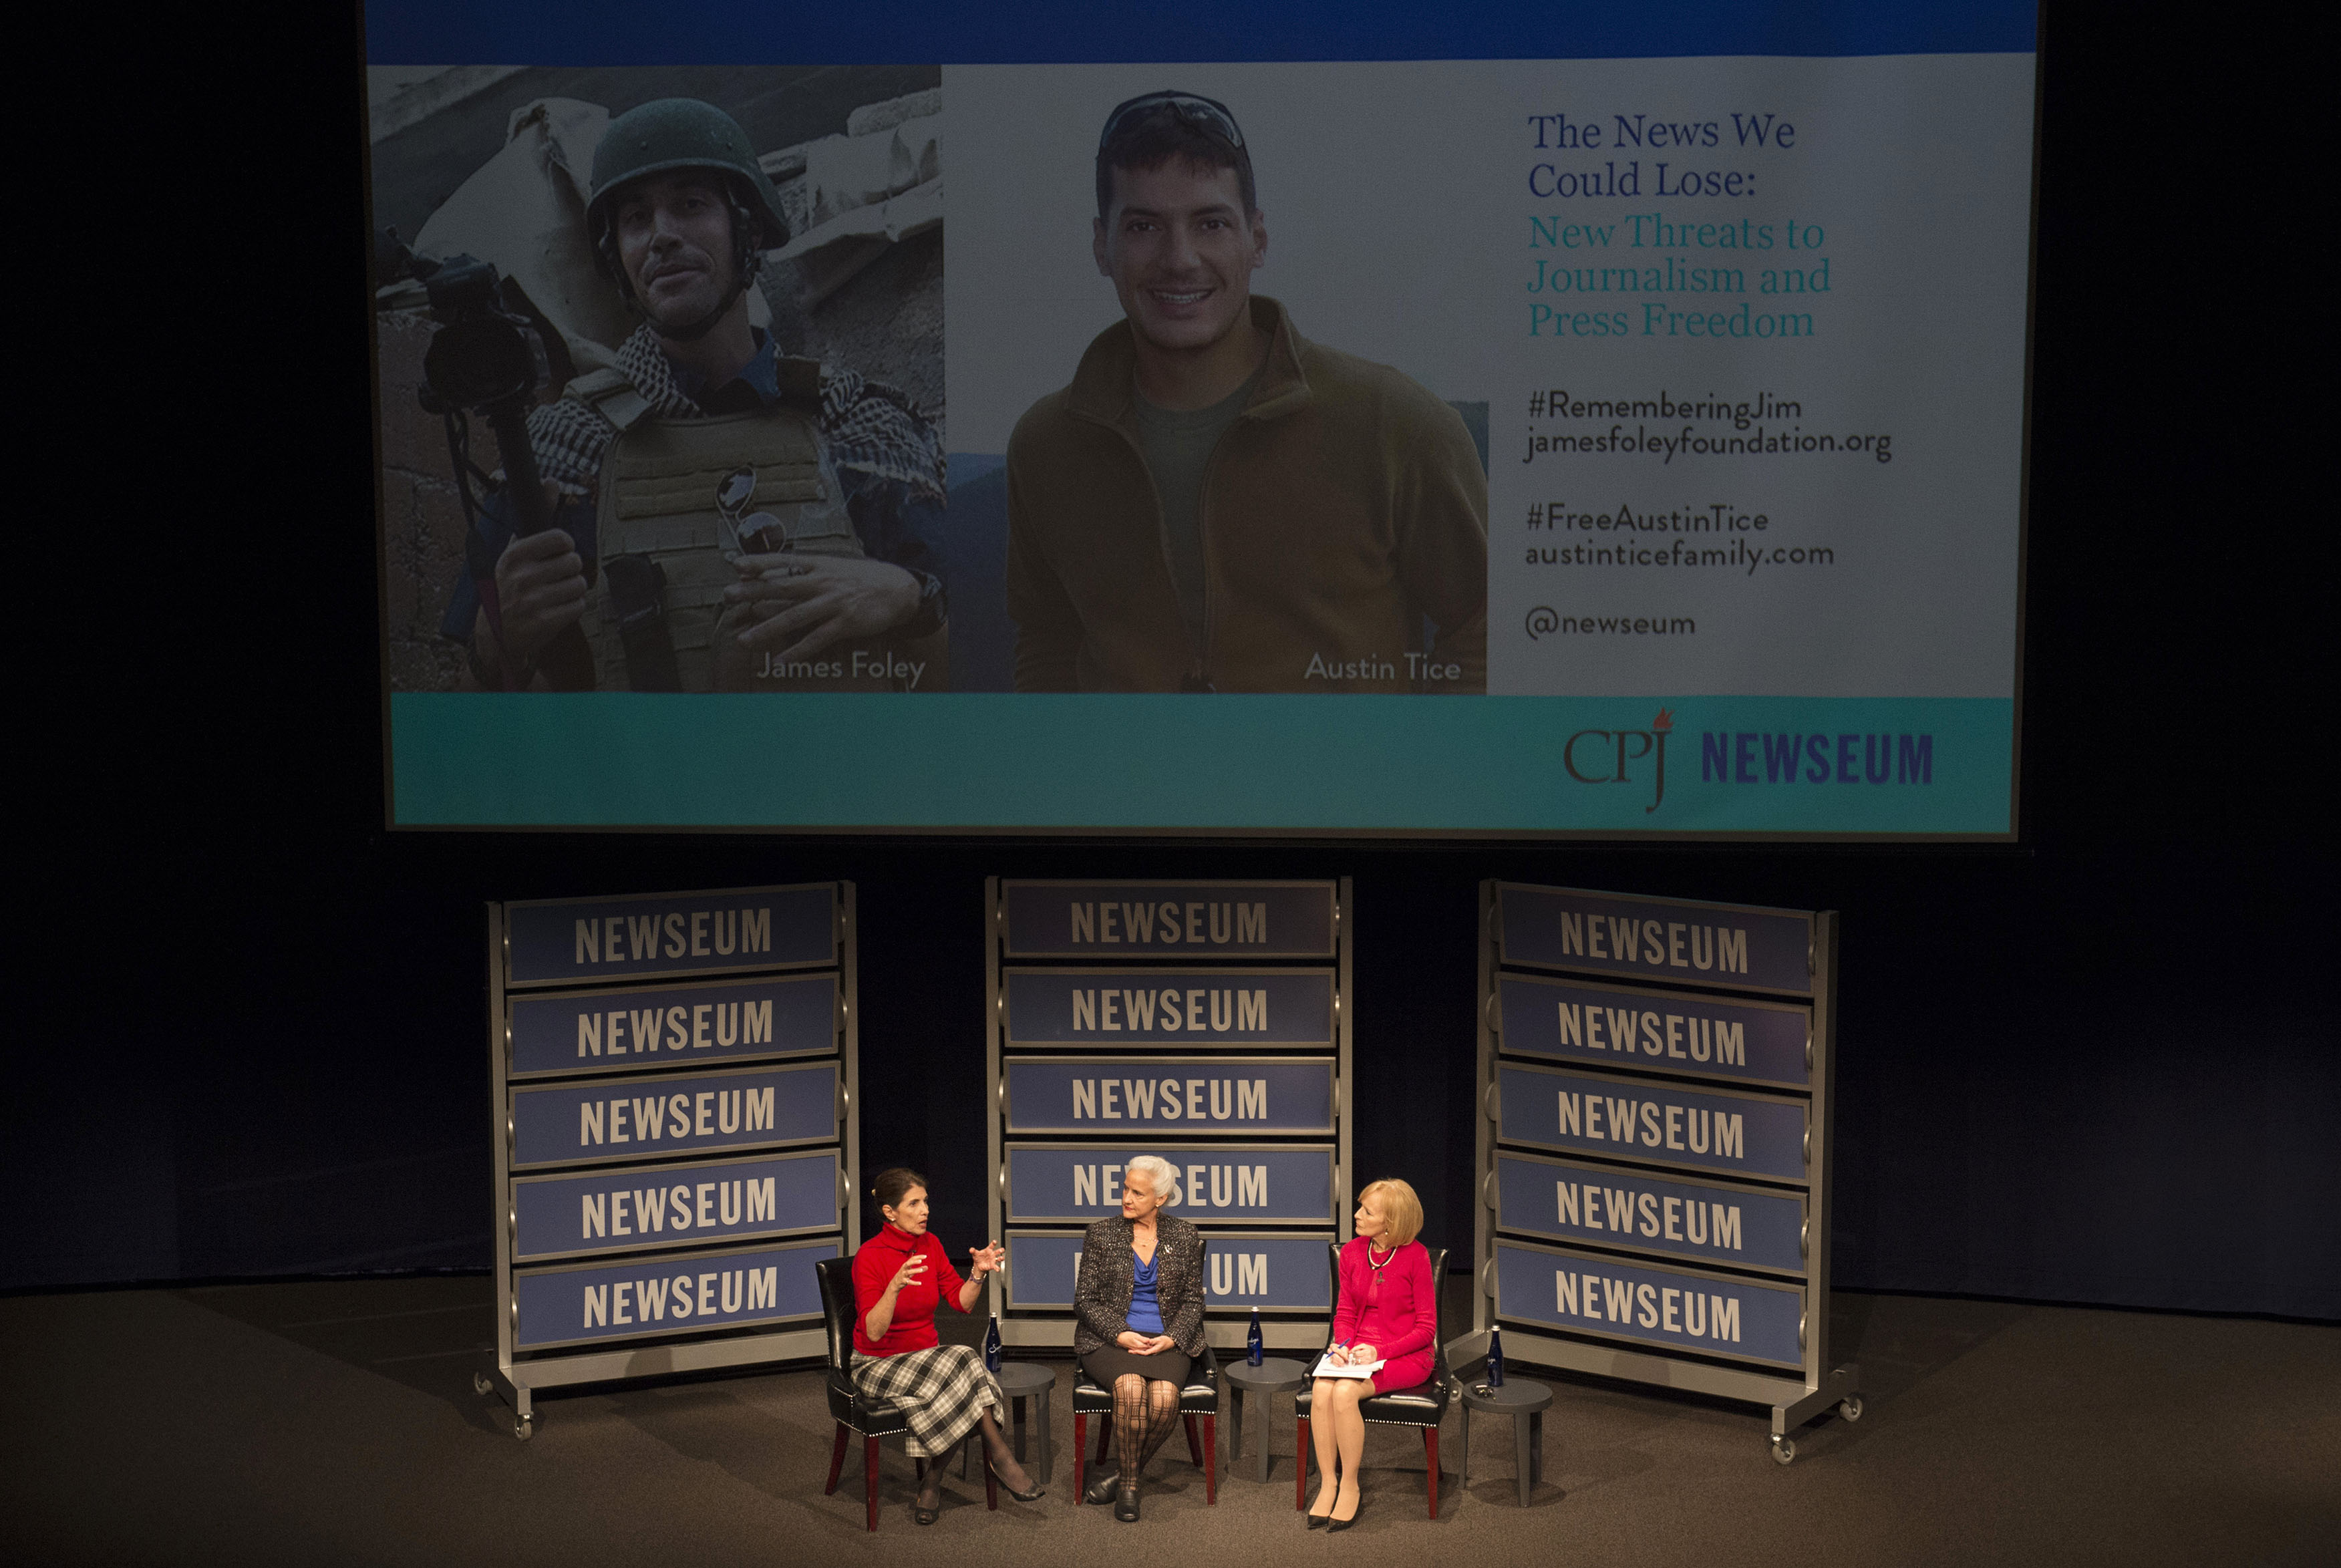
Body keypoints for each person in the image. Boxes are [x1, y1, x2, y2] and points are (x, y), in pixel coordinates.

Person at [441, 97, 950, 693]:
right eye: (635, 219)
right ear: (617, 259)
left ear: (749, 229)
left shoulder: (860, 426)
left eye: (690, 205)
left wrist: (911, 598)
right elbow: (473, 700)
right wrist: (498, 638)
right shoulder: (559, 451)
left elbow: (964, 671)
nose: (661, 237)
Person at [1005, 90, 1487, 694]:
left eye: (1210, 223)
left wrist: (1426, 775)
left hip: (1340, 789)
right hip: (1125, 787)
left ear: (1257, 240)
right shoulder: (1044, 445)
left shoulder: (1396, 422)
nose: (1179, 259)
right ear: (1103, 246)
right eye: (1144, 226)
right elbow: (1046, 638)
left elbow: (1486, 623)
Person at [850, 1166, 1043, 1523]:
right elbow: (873, 1333)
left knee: (962, 1379)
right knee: (967, 1363)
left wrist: (978, 1273)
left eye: (926, 1202)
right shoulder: (870, 1256)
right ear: (890, 1212)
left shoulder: (931, 1244)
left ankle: (932, 1482)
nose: (925, 1210)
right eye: (914, 1203)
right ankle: (999, 1456)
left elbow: (962, 1302)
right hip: (878, 1364)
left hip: (928, 1362)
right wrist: (892, 1288)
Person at [1072, 1155, 1206, 1521]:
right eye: (1125, 1188)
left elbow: (1194, 1300)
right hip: (1109, 1339)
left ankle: (1122, 1474)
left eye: (1138, 1193)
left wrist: (1173, 1338)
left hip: (1164, 1340)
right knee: (1130, 1387)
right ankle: (1130, 1488)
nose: (1126, 1198)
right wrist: (1120, 1334)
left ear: (1160, 1199)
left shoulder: (1184, 1235)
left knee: (1163, 1400)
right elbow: (1084, 1301)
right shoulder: (1101, 1234)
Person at [1307, 1178, 1437, 1531]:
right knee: (1322, 1388)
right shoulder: (1352, 1253)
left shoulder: (1416, 1257)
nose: (1357, 1214)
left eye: (1367, 1211)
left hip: (1408, 1354)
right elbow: (1346, 1312)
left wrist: (1381, 1351)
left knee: (1346, 1393)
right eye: (1360, 1206)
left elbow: (1427, 1329)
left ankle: (1350, 1484)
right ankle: (1328, 1482)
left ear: (1391, 1223)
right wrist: (1342, 1345)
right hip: (1360, 1349)